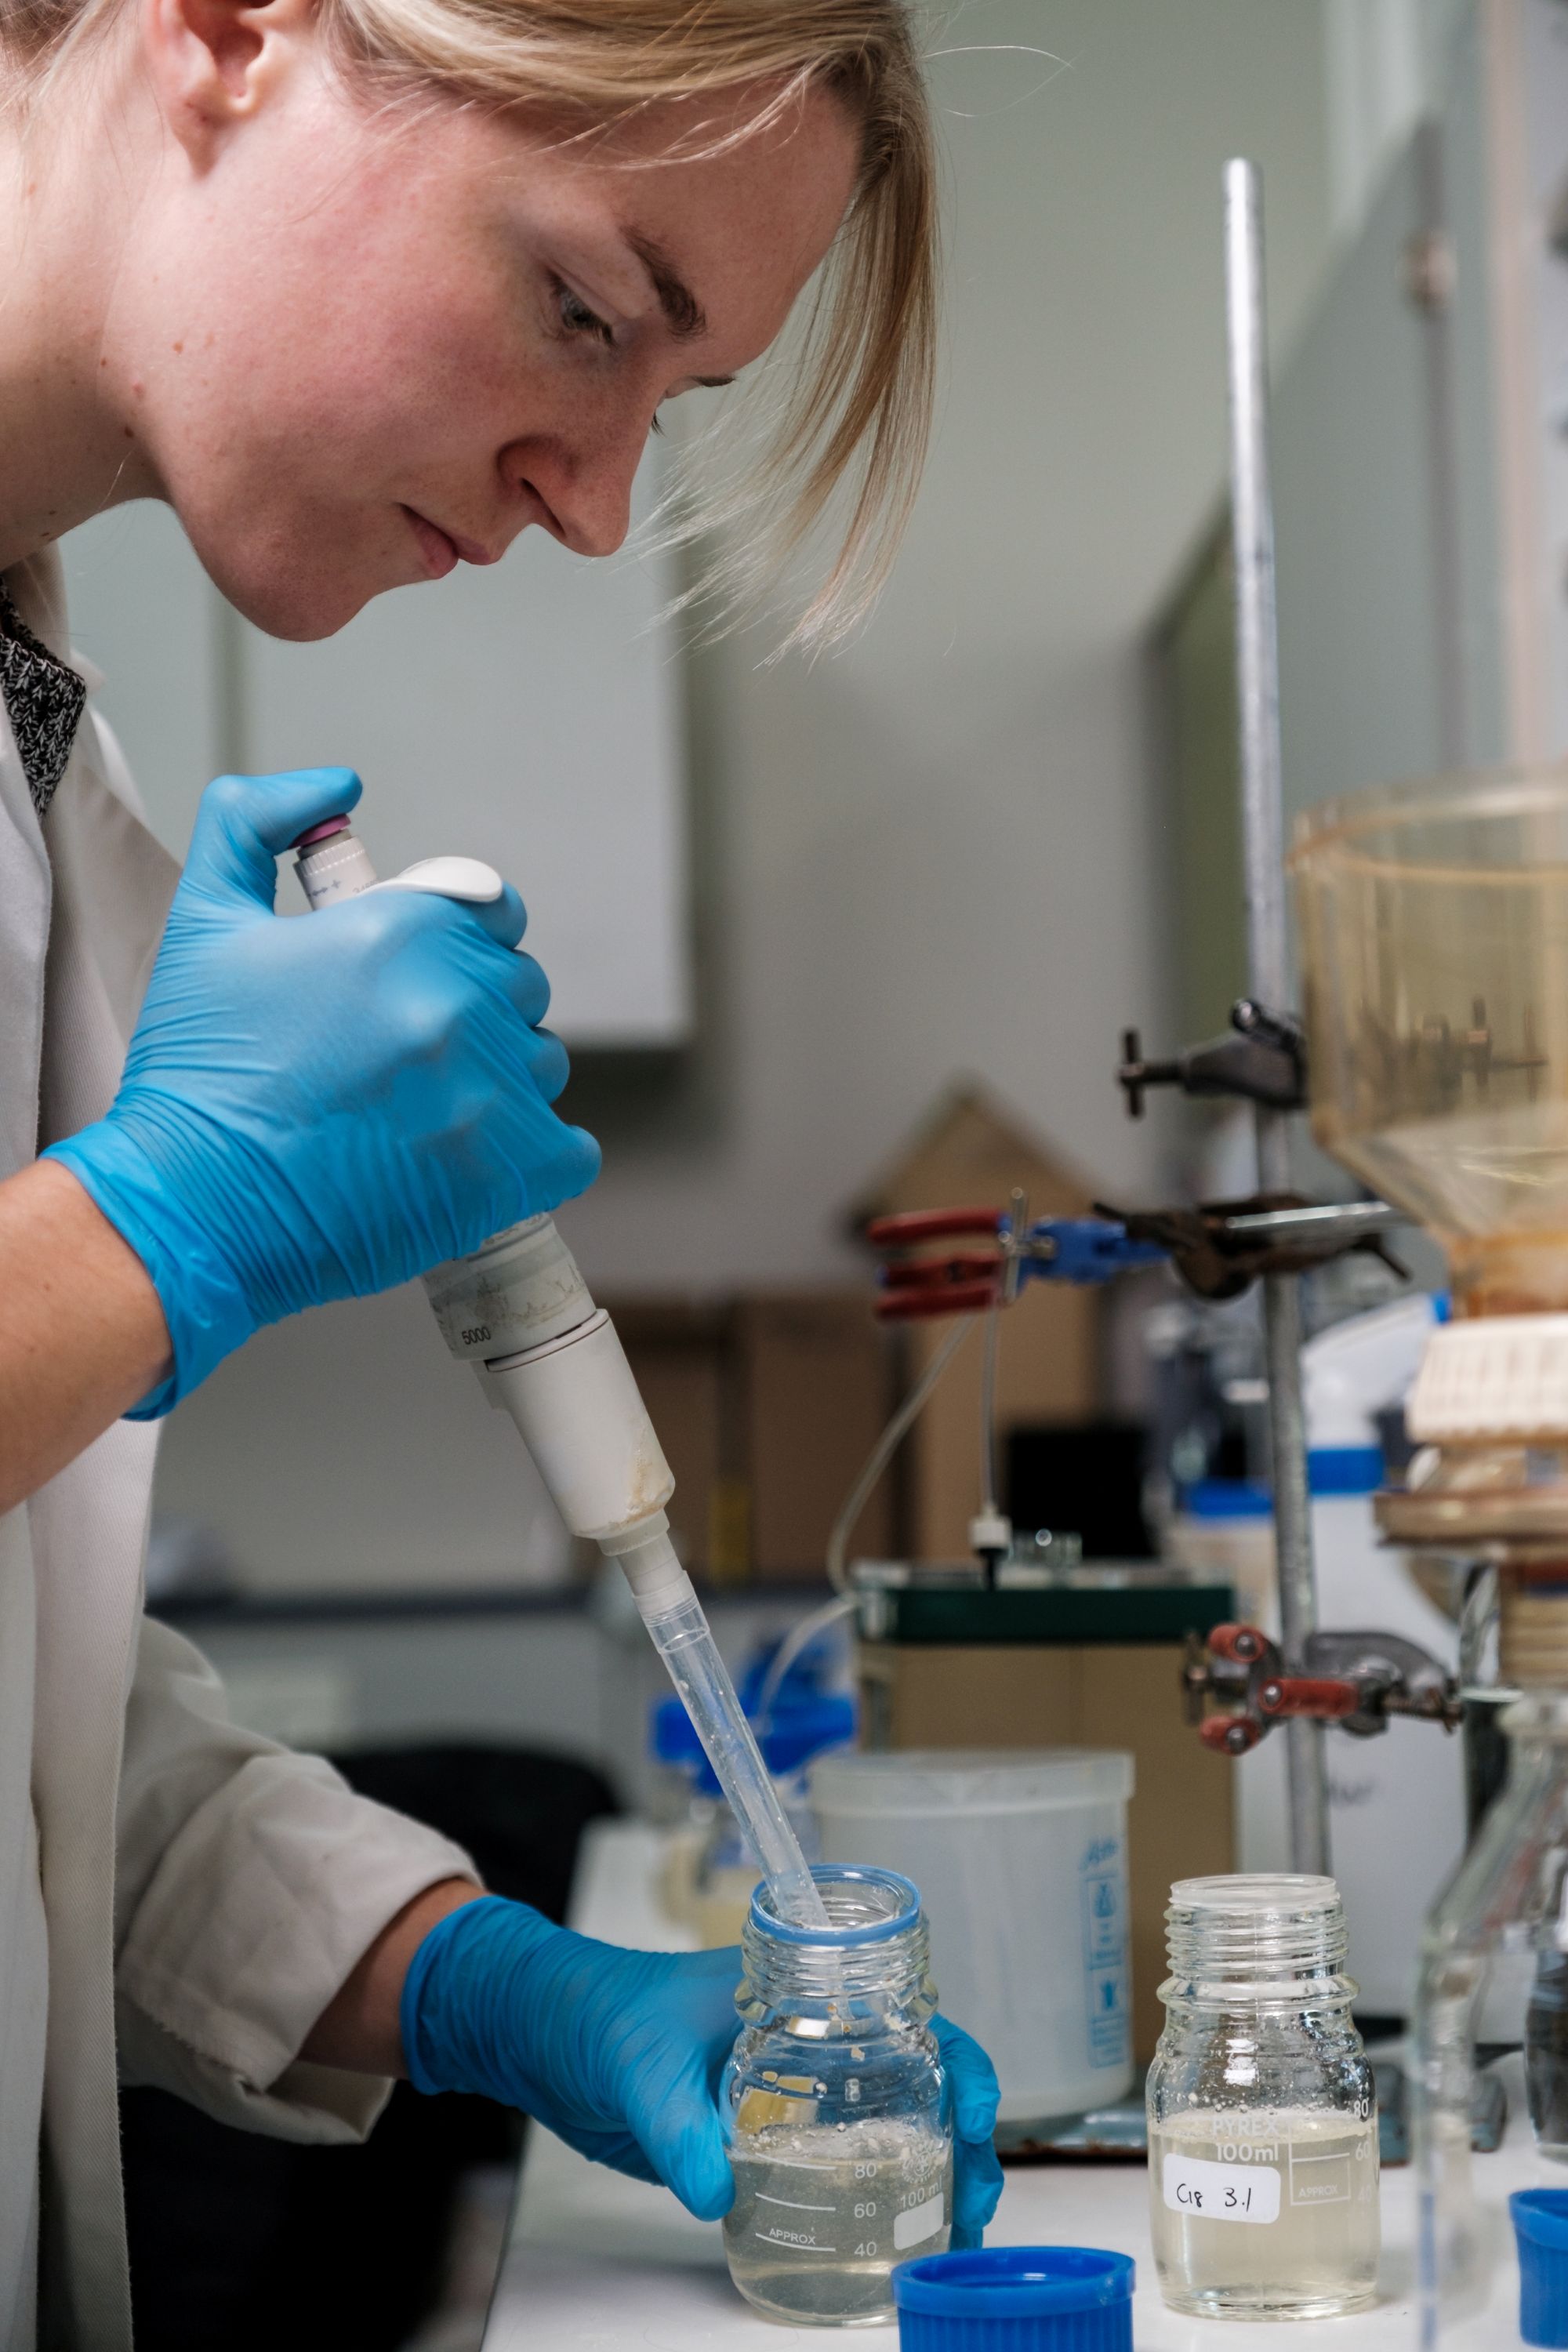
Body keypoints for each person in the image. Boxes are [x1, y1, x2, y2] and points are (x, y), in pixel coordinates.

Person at [0, 0, 1004, 2340]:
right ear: (231, 28)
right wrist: (165, 1222)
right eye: (581, 305)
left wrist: (510, 1996)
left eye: (676, 399)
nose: (590, 499)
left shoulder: (41, 739)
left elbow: (33, 1741)